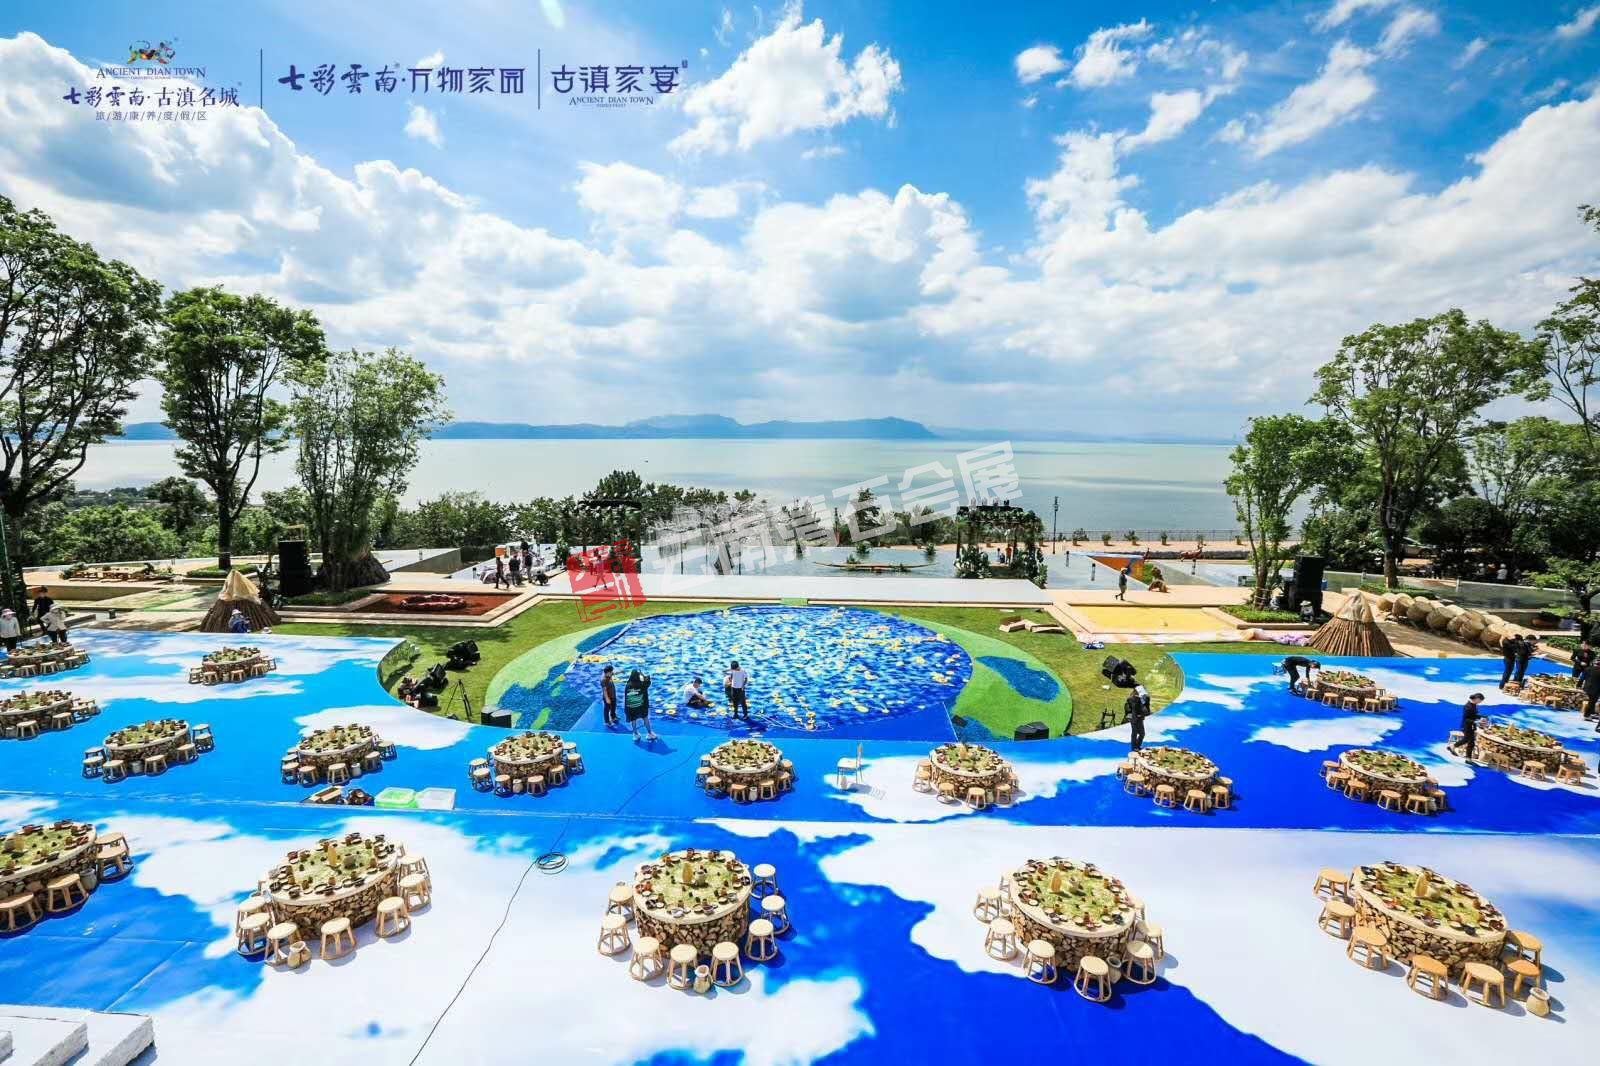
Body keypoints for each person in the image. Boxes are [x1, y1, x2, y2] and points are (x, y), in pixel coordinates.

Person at [624, 669, 655, 741]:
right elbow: (648, 681)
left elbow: (626, 697)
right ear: (638, 676)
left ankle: (635, 734)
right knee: (645, 719)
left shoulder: (628, 685)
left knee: (633, 720)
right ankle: (650, 733)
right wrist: (642, 675)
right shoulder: (642, 685)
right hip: (642, 706)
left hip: (632, 707)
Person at [1458, 693, 1484, 760]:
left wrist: (1482, 717)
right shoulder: (1468, 706)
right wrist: (1476, 722)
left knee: (1471, 743)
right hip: (1466, 726)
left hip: (1471, 726)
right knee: (1466, 739)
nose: (1480, 702)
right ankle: (1453, 746)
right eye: (1480, 701)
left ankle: (1468, 758)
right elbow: (1466, 719)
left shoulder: (1474, 705)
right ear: (1477, 699)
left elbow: (1473, 716)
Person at [1126, 683, 1150, 751]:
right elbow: (1131, 708)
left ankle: (1137, 746)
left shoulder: (1144, 698)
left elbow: (1146, 709)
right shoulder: (1131, 698)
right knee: (1135, 733)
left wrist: (1144, 700)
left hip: (1140, 718)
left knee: (1142, 733)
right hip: (1133, 718)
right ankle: (1134, 747)